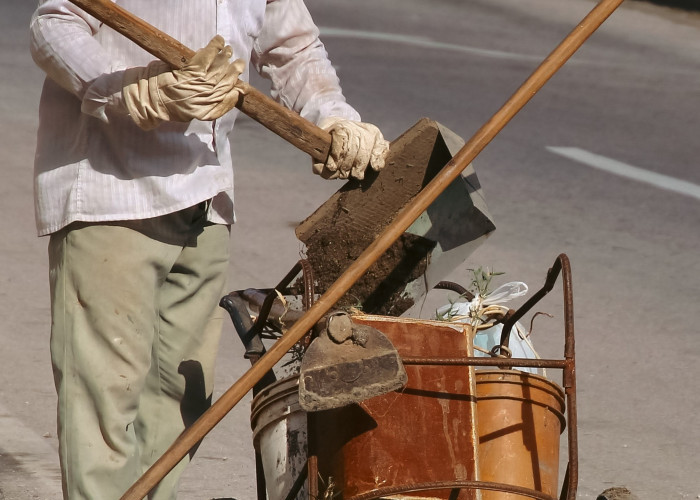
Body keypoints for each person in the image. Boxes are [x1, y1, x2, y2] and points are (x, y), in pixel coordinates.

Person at [29, 1, 390, 499]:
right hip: (111, 190)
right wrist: (129, 88)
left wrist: (332, 114)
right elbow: (55, 24)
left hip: (206, 199)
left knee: (180, 400)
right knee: (105, 403)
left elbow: (293, 46)